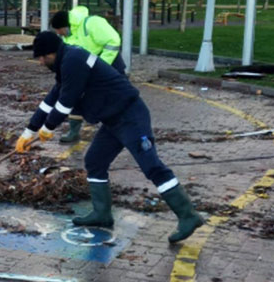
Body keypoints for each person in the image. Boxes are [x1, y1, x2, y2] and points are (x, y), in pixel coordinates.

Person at [15, 31, 203, 243]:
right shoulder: (66, 62)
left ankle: (188, 216)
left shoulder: (73, 61)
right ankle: (102, 214)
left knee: (151, 166)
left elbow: (66, 101)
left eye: (42, 57)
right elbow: (51, 100)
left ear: (52, 52)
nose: (41, 62)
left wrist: (48, 128)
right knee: (95, 161)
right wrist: (28, 132)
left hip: (130, 116)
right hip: (113, 121)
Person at [49, 6, 126, 144]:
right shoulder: (67, 37)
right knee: (76, 95)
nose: (59, 34)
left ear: (65, 26)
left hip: (110, 66)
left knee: (117, 97)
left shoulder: (92, 23)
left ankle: (124, 127)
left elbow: (113, 41)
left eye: (59, 31)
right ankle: (74, 131)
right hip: (88, 69)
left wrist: (101, 65)